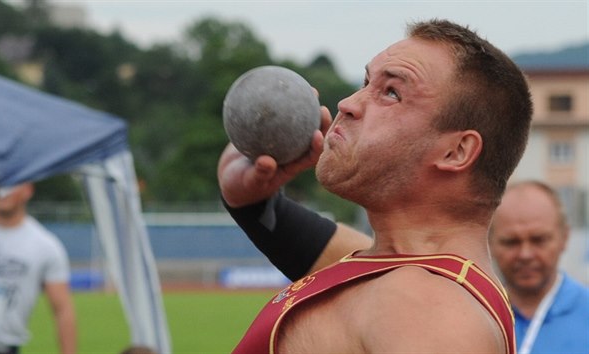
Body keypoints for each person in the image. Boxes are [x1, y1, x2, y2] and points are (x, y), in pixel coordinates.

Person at [218, 19, 533, 353]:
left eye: (392, 92)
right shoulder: (404, 274)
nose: (348, 104)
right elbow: (319, 251)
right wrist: (252, 202)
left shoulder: (424, 308)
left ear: (456, 151)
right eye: (367, 82)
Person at [0, 183, 77, 354]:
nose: (1, 192)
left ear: (28, 190)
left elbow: (62, 310)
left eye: (10, 185)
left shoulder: (45, 246)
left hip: (1, 348)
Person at [489, 180, 589, 354]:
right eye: (511, 242)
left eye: (539, 240)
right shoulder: (471, 316)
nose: (525, 254)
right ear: (489, 242)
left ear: (564, 238)